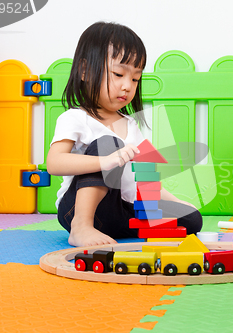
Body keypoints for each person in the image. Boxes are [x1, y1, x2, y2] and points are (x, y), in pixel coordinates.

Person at [47, 22, 202, 247]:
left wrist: (177, 204)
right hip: (76, 210)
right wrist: (106, 160)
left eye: (135, 79)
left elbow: (147, 179)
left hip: (121, 212)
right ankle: (82, 227)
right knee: (109, 144)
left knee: (192, 219)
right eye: (119, 74)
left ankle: (118, 231)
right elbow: (54, 163)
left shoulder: (131, 125)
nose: (127, 86)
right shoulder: (75, 118)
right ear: (84, 70)